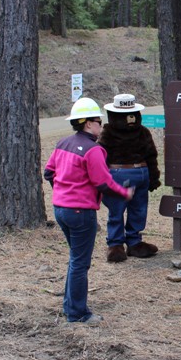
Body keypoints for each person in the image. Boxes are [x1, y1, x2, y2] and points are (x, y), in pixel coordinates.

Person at [44, 97, 133, 324]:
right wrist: (125, 193)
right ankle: (78, 314)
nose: (101, 126)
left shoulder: (62, 144)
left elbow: (48, 172)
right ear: (87, 124)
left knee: (76, 259)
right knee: (80, 263)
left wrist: (63, 193)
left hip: (61, 210)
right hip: (80, 213)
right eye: (98, 122)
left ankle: (70, 306)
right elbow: (103, 182)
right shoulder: (94, 150)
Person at [99, 94, 161, 263]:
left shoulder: (143, 132)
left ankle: (134, 242)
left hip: (141, 173)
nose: (130, 119)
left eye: (133, 114)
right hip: (117, 174)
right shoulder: (107, 134)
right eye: (125, 115)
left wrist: (153, 177)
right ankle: (116, 244)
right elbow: (100, 157)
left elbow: (151, 155)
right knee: (116, 210)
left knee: (139, 210)